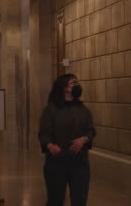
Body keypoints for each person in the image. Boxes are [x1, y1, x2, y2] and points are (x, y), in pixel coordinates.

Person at [38, 74, 96, 206]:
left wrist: (84, 139)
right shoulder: (50, 110)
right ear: (64, 87)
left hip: (80, 162)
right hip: (57, 163)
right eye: (73, 83)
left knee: (80, 199)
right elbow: (43, 133)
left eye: (77, 82)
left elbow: (91, 130)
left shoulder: (83, 109)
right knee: (55, 200)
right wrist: (50, 145)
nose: (77, 85)